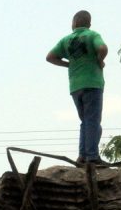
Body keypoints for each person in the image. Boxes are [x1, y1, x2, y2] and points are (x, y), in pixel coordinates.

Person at [46, 10, 108, 166]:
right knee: (93, 120)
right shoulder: (92, 35)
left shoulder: (66, 40)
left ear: (73, 24)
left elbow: (50, 57)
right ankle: (92, 156)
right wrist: (99, 60)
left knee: (85, 121)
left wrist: (69, 64)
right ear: (89, 23)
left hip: (75, 86)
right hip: (92, 83)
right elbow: (102, 48)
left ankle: (82, 155)